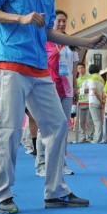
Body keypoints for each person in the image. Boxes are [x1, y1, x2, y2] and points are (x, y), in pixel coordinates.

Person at [0, 0, 107, 214]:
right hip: (10, 62)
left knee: (58, 125)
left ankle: (55, 191)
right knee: (10, 130)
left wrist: (85, 42)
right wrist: (20, 17)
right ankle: (2, 195)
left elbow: (49, 33)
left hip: (39, 68)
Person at [35, 10, 79, 177]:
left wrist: (75, 88)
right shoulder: (44, 41)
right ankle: (41, 164)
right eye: (59, 21)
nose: (61, 24)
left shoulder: (70, 45)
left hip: (66, 90)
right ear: (52, 23)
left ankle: (62, 163)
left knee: (63, 128)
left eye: (64, 21)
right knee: (45, 127)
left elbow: (74, 71)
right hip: (47, 89)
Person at [85, 64, 105, 144]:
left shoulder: (91, 78)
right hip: (99, 101)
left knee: (97, 121)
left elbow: (94, 91)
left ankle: (97, 139)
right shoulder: (101, 79)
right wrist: (102, 100)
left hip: (94, 101)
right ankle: (100, 137)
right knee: (100, 120)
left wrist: (100, 100)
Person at [76, 63, 94, 143]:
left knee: (89, 120)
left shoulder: (89, 78)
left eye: (82, 68)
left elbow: (89, 88)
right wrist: (81, 90)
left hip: (88, 101)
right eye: (79, 68)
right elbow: (75, 90)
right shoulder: (77, 79)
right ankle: (82, 137)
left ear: (85, 68)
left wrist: (80, 90)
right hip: (80, 102)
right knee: (81, 121)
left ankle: (90, 136)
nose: (80, 69)